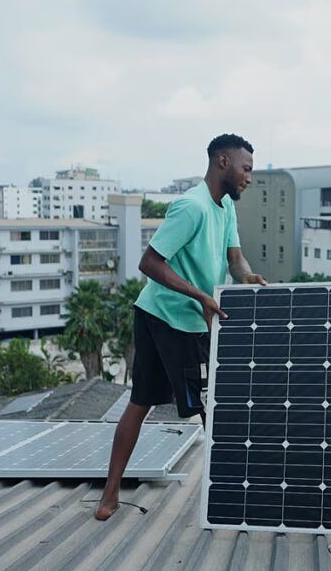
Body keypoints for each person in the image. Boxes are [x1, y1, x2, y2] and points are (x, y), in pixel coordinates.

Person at [94, 133, 266, 521]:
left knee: (209, 406)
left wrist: (248, 277)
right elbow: (150, 263)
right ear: (223, 162)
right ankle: (110, 495)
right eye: (246, 169)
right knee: (156, 404)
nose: (249, 178)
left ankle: (231, 492)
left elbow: (234, 259)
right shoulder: (191, 207)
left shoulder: (225, 209)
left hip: (190, 319)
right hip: (163, 318)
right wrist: (199, 295)